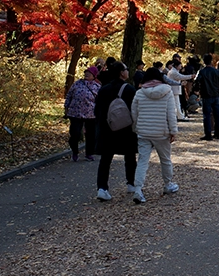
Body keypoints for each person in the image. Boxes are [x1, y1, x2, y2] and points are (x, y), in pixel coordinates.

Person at [130, 67, 179, 203]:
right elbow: (171, 114)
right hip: (161, 133)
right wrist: (173, 131)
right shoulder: (167, 92)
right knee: (165, 159)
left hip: (143, 132)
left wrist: (136, 127)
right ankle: (168, 184)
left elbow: (134, 113)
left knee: (142, 161)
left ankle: (138, 189)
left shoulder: (139, 93)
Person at [93, 62, 138, 202]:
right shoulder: (129, 89)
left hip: (106, 129)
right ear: (121, 73)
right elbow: (135, 111)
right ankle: (131, 183)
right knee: (130, 156)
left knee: (105, 160)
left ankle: (102, 188)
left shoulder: (103, 89)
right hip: (125, 129)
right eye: (126, 69)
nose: (128, 71)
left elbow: (97, 110)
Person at [63, 66, 100, 161]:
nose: (87, 74)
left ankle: (89, 154)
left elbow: (100, 101)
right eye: (86, 72)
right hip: (75, 113)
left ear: (94, 76)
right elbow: (69, 95)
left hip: (91, 114)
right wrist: (66, 107)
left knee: (91, 135)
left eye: (89, 73)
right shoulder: (77, 84)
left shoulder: (97, 87)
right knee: (74, 134)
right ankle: (75, 152)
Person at [194, 54, 219, 141]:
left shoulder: (202, 72)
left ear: (204, 61)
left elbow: (196, 81)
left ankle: (208, 134)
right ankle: (217, 133)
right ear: (211, 61)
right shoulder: (216, 71)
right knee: (217, 115)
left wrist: (197, 90)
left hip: (206, 95)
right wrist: (217, 88)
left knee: (207, 115)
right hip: (215, 95)